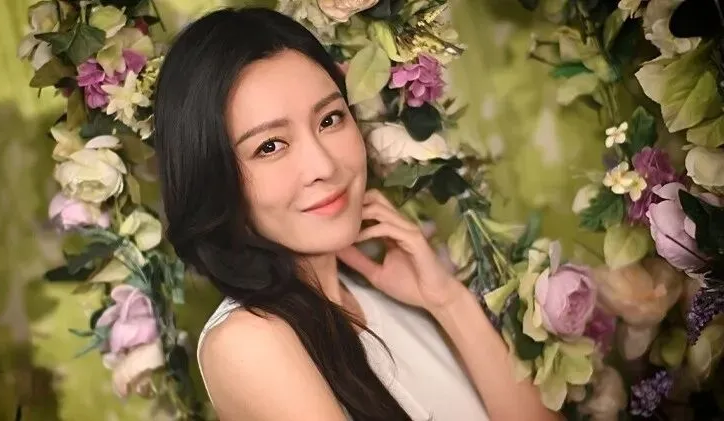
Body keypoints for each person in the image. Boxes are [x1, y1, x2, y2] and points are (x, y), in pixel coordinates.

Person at [153, 7, 560, 421]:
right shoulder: (249, 340)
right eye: (270, 146)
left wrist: (449, 301)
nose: (323, 166)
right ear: (213, 176)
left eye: (330, 119)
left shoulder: (387, 300)